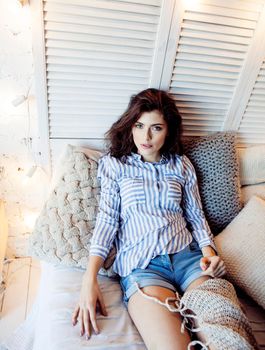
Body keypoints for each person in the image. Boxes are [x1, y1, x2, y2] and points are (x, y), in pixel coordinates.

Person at [71, 89, 256, 350]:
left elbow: (195, 215)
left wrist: (209, 253)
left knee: (229, 339)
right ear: (130, 125)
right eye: (139, 125)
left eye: (155, 128)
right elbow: (107, 221)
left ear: (168, 130)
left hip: (190, 261)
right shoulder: (115, 165)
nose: (145, 137)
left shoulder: (181, 165)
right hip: (143, 268)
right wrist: (88, 280)